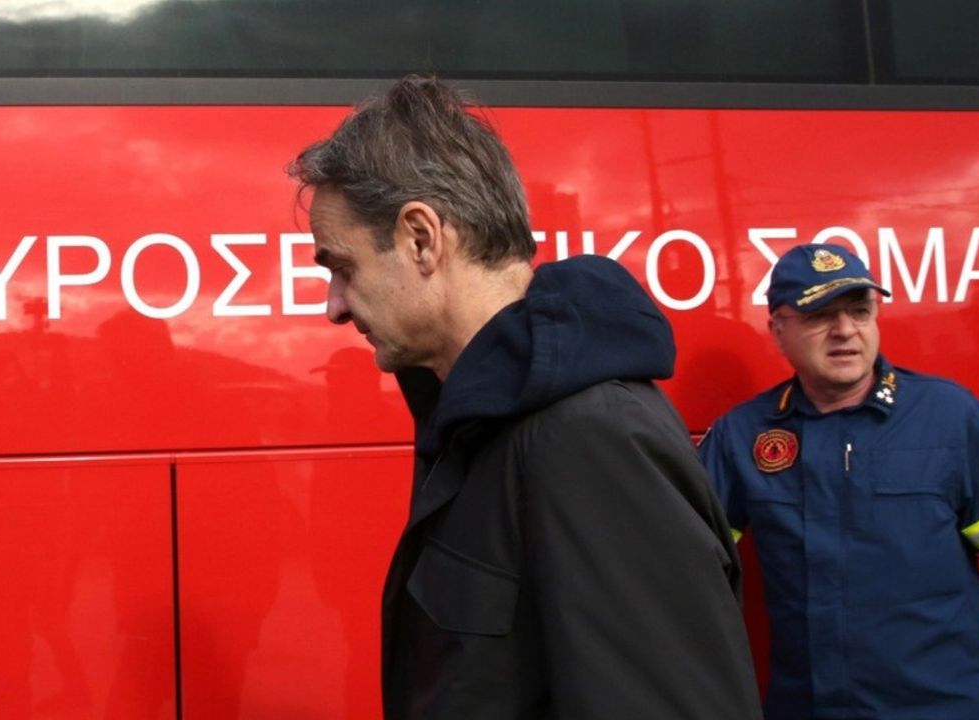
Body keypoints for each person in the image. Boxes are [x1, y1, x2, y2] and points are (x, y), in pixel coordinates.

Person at [288, 76, 761, 720]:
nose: (334, 307)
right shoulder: (481, 421)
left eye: (343, 268)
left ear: (422, 238)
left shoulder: (587, 440)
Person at [698, 243, 979, 719]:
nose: (845, 330)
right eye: (820, 315)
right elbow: (681, 566)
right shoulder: (743, 437)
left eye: (859, 310)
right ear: (778, 330)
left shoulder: (950, 419)